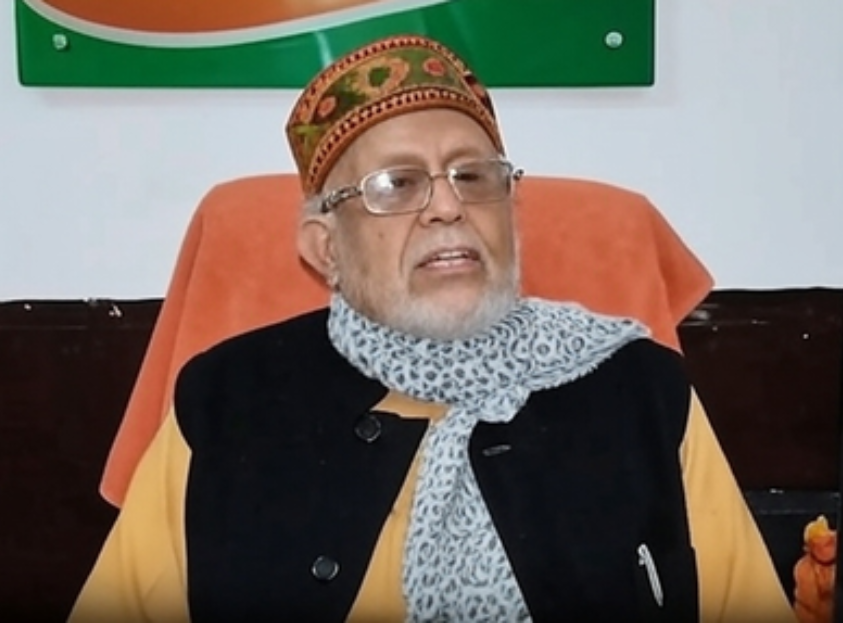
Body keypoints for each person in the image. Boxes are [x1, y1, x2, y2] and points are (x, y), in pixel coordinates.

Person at [69, 34, 795, 622]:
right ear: (325, 248)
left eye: (474, 177)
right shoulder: (226, 402)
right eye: (396, 185)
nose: (448, 207)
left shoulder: (639, 390)